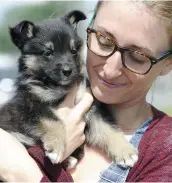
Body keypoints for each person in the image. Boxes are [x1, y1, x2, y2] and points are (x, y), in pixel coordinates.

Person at [0, 0, 172, 182]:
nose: (110, 70)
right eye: (104, 41)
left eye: (138, 56)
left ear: (167, 64)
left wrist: (21, 170)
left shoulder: (164, 152)